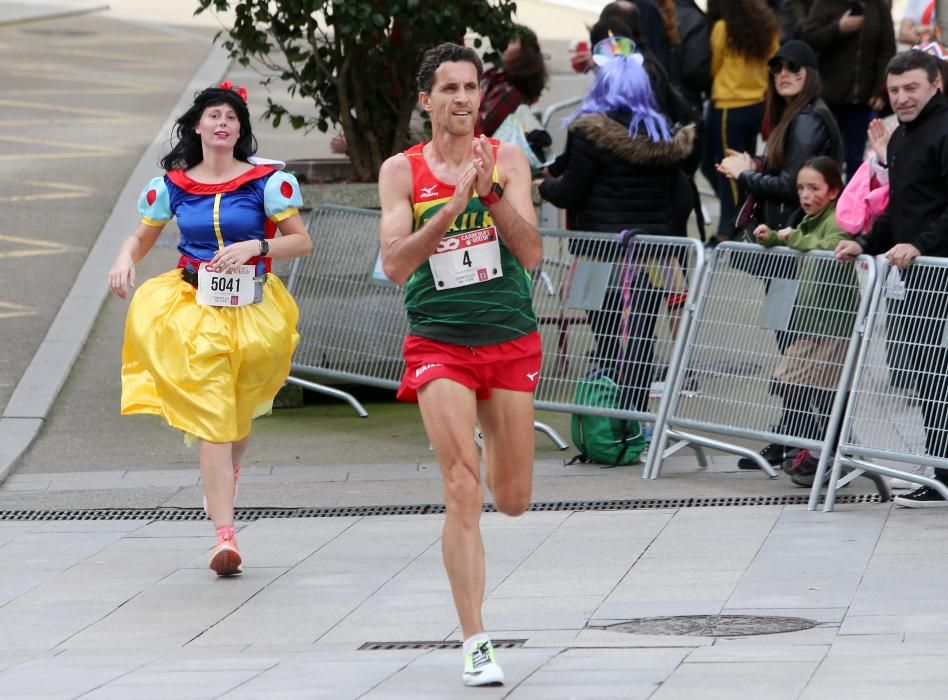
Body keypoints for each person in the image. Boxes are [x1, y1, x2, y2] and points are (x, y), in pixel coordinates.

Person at [377, 42, 542, 686]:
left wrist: (490, 192)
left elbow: (531, 254)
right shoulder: (400, 171)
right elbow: (395, 265)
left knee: (515, 498)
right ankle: (476, 640)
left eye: (471, 87)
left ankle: (482, 448)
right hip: (439, 341)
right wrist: (450, 207)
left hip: (507, 337)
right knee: (461, 487)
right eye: (449, 88)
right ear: (427, 100)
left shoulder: (507, 160)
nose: (463, 99)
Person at [107, 82, 313, 575]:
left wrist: (257, 248)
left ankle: (227, 474)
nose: (223, 123)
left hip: (254, 308)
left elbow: (301, 242)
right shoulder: (171, 187)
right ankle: (225, 538)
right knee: (213, 417)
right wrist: (123, 257)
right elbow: (141, 236)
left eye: (232, 117)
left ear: (240, 130)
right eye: (214, 115)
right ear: (197, 126)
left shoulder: (269, 182)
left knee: (239, 411)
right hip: (192, 307)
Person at [539, 35, 696, 414]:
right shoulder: (661, 133)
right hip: (654, 253)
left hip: (600, 251)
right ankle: (635, 416)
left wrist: (545, 186)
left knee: (609, 339)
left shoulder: (589, 132)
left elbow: (571, 193)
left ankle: (612, 417)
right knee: (641, 338)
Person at [716, 39, 843, 471]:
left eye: (794, 67)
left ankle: (818, 447)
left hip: (799, 252)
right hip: (790, 250)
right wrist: (753, 164)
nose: (783, 73)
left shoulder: (807, 118)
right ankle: (795, 439)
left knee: (802, 352)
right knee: (793, 348)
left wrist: (747, 174)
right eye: (777, 68)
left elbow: (796, 185)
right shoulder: (798, 117)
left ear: (810, 72)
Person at [835, 49, 948, 507]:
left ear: (935, 84)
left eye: (911, 88)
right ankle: (942, 469)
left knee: (934, 374)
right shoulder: (901, 138)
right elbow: (899, 208)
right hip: (913, 275)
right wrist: (864, 242)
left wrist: (920, 244)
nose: (901, 98)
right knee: (924, 374)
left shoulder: (943, 131)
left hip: (936, 268)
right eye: (895, 90)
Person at [752, 156, 858, 487]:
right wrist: (769, 237)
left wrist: (791, 239)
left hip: (834, 327)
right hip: (809, 326)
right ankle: (818, 448)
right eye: (800, 188)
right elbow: (794, 237)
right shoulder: (809, 220)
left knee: (826, 393)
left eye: (814, 188)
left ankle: (829, 453)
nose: (805, 194)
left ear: (833, 192)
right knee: (786, 381)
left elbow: (829, 246)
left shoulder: (836, 219)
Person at [702, 0, 780, 247]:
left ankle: (729, 228)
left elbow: (714, 65)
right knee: (746, 166)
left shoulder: (723, 28)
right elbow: (773, 61)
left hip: (729, 104)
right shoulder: (768, 27)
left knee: (728, 170)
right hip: (756, 104)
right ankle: (742, 219)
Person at [799, 1, 895, 182]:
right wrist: (838, 29)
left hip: (862, 100)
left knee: (856, 159)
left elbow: (887, 49)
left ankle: (853, 205)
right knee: (824, 158)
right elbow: (808, 39)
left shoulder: (878, 6)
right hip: (829, 98)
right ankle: (827, 204)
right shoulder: (825, 4)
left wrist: (880, 90)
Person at [477, 25, 551, 172]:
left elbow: (482, 125)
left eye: (512, 41)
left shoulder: (510, 90)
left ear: (524, 52)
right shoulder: (496, 75)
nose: (504, 44)